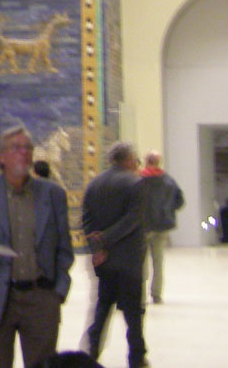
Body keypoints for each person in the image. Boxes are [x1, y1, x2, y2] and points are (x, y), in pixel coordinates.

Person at [0, 125, 73, 368]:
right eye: (16, 148)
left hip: (41, 298)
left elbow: (64, 248)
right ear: (1, 157)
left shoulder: (53, 194)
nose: (24, 152)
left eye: (28, 148)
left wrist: (58, 292)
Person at [82, 141, 147, 368]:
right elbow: (132, 220)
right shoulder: (136, 183)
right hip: (129, 260)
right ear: (128, 159)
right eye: (136, 160)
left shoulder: (95, 183)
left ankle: (91, 352)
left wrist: (97, 247)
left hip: (104, 261)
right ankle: (136, 357)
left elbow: (87, 219)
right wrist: (105, 239)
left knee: (102, 308)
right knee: (133, 313)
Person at [139, 150, 184, 304]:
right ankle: (156, 294)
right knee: (158, 262)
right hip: (162, 226)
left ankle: (141, 295)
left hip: (143, 226)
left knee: (141, 262)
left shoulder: (138, 180)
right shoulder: (169, 181)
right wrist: (168, 210)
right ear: (159, 162)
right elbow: (180, 202)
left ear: (146, 161)